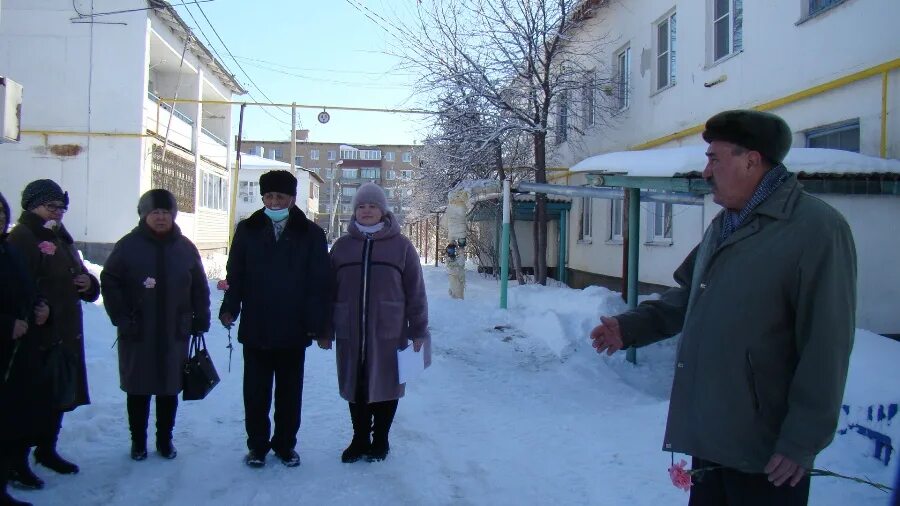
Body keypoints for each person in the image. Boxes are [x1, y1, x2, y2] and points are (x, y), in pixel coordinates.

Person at [590, 110, 857, 505]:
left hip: (766, 453)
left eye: (714, 158)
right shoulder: (726, 225)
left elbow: (827, 344)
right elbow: (689, 295)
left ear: (752, 159)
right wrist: (631, 327)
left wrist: (802, 439)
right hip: (713, 435)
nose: (705, 171)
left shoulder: (816, 230)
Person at [219, 170, 330, 468]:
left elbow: (320, 284)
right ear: (263, 197)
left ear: (292, 198)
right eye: (269, 195)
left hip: (294, 329)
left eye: (280, 196)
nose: (274, 200)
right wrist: (230, 306)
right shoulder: (248, 229)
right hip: (257, 326)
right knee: (255, 393)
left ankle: (285, 445)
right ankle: (257, 446)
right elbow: (236, 274)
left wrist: (319, 326)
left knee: (289, 394)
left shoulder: (311, 234)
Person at [319, 182, 430, 463]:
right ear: (354, 211)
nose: (367, 211)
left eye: (372, 206)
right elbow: (327, 291)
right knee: (355, 385)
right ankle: (359, 439)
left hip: (389, 330)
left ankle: (380, 439)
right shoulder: (342, 247)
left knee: (387, 384)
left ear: (383, 211)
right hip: (350, 331)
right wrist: (325, 328)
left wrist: (418, 330)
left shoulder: (402, 247)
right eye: (361, 206)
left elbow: (416, 291)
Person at [100, 189, 211, 461]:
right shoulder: (128, 246)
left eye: (165, 212)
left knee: (169, 387)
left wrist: (200, 317)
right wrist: (122, 317)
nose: (161, 217)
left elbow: (199, 286)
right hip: (138, 329)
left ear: (172, 215)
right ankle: (138, 442)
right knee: (138, 387)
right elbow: (110, 281)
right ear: (144, 215)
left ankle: (165, 440)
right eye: (155, 212)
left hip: (175, 329)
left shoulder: (184, 247)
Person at [6, 180, 99, 483]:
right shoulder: (23, 237)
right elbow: (20, 284)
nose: (58, 212)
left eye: (62, 207)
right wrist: (40, 309)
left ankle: (46, 449)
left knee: (58, 392)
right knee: (32, 399)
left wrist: (89, 284)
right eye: (51, 206)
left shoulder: (58, 235)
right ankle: (17, 460)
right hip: (38, 333)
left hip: (65, 330)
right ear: (32, 205)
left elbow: (77, 271)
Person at [0, 191, 50, 506]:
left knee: (11, 419)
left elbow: (26, 288)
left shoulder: (7, 250)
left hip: (15, 350)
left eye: (0, 214)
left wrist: (41, 307)